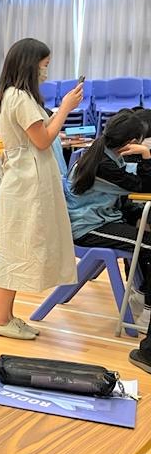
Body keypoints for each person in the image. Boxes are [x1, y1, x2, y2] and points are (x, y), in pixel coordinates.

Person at [0, 38, 83, 340]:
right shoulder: (19, 97)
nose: (45, 72)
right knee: (14, 249)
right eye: (43, 66)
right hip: (25, 184)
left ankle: (4, 316)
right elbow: (43, 140)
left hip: (26, 180)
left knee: (16, 248)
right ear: (30, 65)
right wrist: (65, 108)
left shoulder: (14, 95)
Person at [65, 111, 151, 348]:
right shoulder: (103, 164)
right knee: (147, 244)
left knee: (142, 234)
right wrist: (145, 156)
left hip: (102, 219)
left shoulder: (107, 155)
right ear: (132, 141)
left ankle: (139, 296)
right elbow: (144, 184)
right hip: (87, 227)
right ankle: (145, 307)